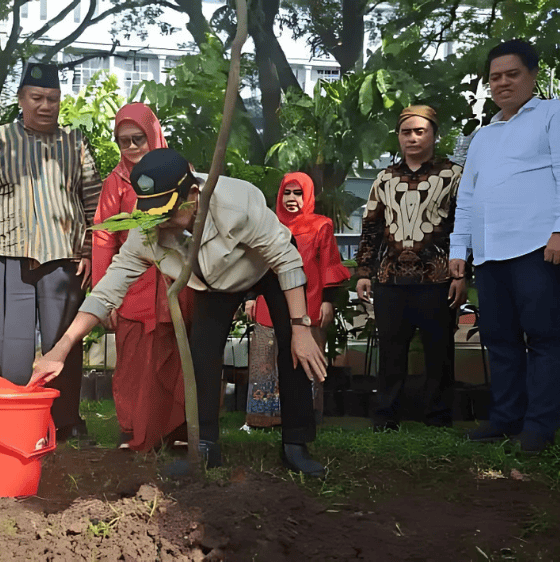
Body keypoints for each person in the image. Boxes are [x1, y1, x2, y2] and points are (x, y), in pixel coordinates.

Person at [32, 148, 329, 478]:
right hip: (215, 284)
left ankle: (295, 445)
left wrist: (301, 327)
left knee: (293, 348)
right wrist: (61, 348)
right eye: (154, 214)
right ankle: (204, 447)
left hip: (268, 268)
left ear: (192, 195)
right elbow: (107, 291)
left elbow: (285, 259)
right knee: (201, 353)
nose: (161, 223)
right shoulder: (147, 231)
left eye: (168, 212)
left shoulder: (237, 201)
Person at [448, 39, 560, 454]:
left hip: (538, 246)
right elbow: (468, 199)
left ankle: (539, 428)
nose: (503, 83)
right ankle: (505, 418)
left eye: (512, 74)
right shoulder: (484, 136)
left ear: (531, 75)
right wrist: (460, 251)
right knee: (500, 339)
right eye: (495, 77)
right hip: (491, 251)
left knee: (543, 338)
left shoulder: (558, 115)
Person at [0, 62, 102, 441]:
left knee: (64, 345)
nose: (45, 106)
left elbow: (94, 202)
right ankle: (10, 419)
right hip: (9, 255)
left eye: (53, 99)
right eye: (37, 98)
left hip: (67, 259)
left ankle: (65, 421)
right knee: (11, 345)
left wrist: (90, 249)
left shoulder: (75, 143)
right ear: (21, 99)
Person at [355, 105, 465, 431]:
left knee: (439, 353)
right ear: (398, 136)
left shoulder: (453, 175)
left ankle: (438, 419)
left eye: (420, 131)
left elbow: (464, 226)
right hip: (390, 280)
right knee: (390, 353)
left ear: (434, 135)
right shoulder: (385, 178)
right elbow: (372, 227)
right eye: (406, 132)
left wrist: (462, 274)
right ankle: (385, 418)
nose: (413, 138)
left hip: (438, 279)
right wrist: (363, 272)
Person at [93, 103, 193, 451]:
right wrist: (104, 296)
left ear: (153, 136)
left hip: (173, 281)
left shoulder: (178, 172)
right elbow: (104, 237)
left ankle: (178, 430)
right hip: (132, 285)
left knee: (175, 356)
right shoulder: (114, 183)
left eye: (139, 139)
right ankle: (133, 430)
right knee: (133, 361)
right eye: (124, 141)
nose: (132, 147)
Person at [243, 172, 350, 427]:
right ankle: (263, 419)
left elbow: (329, 264)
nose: (292, 198)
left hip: (309, 305)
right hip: (268, 305)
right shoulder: (267, 224)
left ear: (308, 195)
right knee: (265, 362)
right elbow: (255, 264)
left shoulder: (321, 226)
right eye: (287, 193)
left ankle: (303, 419)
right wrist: (250, 297)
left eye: (298, 193)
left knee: (304, 361)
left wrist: (328, 300)